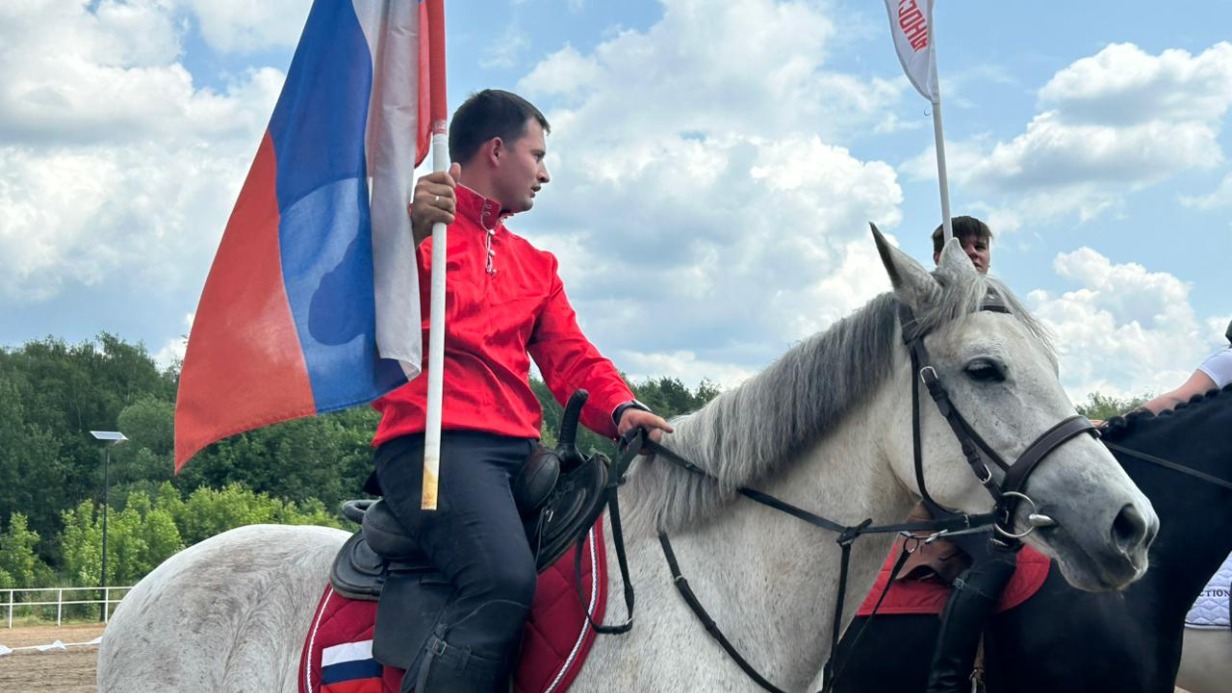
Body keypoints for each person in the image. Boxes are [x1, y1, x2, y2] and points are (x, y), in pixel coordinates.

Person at [370, 89, 673, 693]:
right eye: (537, 155)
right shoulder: (419, 230)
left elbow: (571, 357)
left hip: (518, 453)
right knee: (502, 580)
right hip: (431, 448)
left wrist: (623, 408)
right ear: (497, 150)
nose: (545, 171)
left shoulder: (537, 266)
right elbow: (351, 314)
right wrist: (406, 234)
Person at [919, 216, 1012, 693]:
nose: (975, 253)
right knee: (995, 557)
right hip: (942, 471)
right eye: (964, 246)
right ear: (941, 256)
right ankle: (948, 680)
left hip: (997, 472)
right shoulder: (928, 311)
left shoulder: (1000, 312)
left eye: (981, 246)